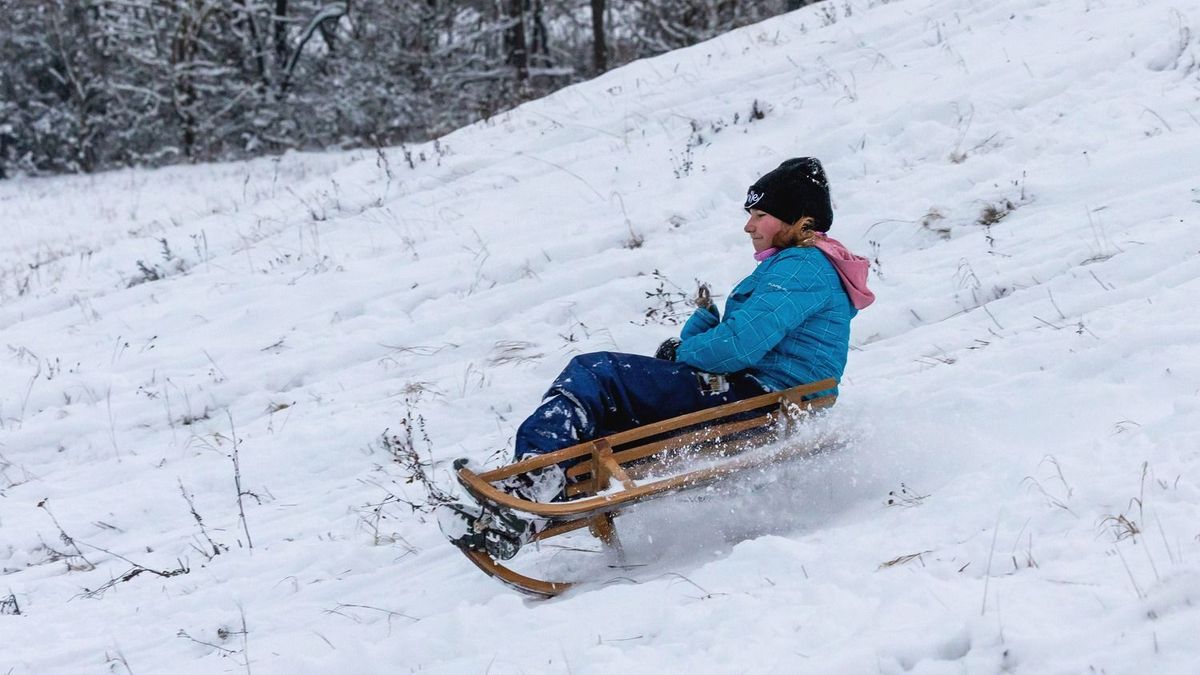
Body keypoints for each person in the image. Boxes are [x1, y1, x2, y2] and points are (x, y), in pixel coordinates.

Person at [441, 157, 875, 559]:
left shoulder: (802, 267)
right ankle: (519, 513)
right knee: (611, 418)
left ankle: (530, 487)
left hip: (759, 398)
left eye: (760, 215)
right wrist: (696, 332)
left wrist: (684, 351)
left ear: (801, 220)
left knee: (597, 373)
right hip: (761, 398)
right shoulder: (798, 268)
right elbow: (737, 341)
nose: (749, 226)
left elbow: (735, 349)